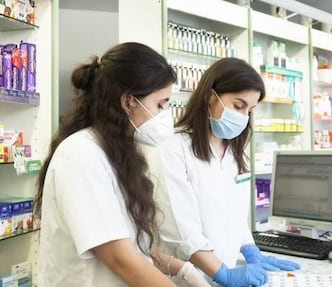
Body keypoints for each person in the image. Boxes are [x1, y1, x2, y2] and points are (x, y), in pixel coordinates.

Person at [35, 42, 209, 287]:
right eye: (160, 104)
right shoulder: (81, 154)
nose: (165, 114)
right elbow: (120, 258)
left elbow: (133, 244)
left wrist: (184, 271)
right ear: (129, 101)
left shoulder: (119, 153)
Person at [150, 57, 301, 287]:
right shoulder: (173, 149)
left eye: (249, 110)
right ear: (211, 97)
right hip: (185, 281)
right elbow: (182, 232)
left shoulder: (233, 153)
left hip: (223, 274)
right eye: (238, 105)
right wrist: (224, 274)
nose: (243, 116)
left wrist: (249, 248)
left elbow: (232, 215)